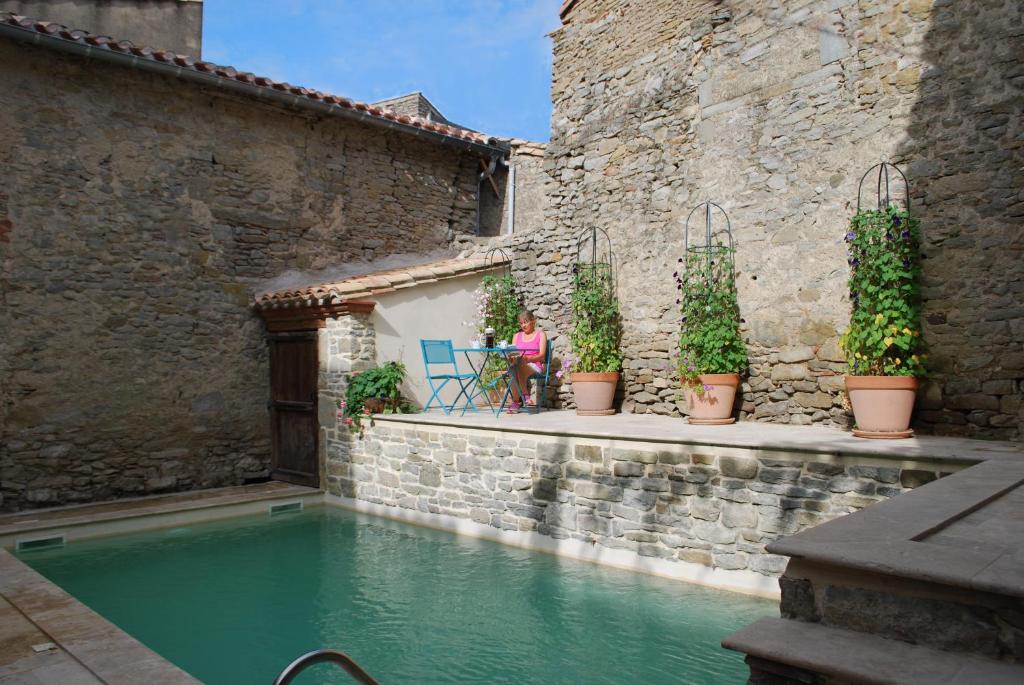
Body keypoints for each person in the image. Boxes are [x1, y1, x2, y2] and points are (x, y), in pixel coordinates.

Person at [508, 309, 547, 413]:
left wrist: (528, 358)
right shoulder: (516, 336)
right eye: (521, 323)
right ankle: (522, 398)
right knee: (514, 367)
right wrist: (510, 357)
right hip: (518, 364)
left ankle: (519, 399)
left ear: (532, 321)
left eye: (526, 322)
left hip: (534, 365)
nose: (523, 325)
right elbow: (513, 353)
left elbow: (542, 356)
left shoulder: (540, 335)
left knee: (517, 365)